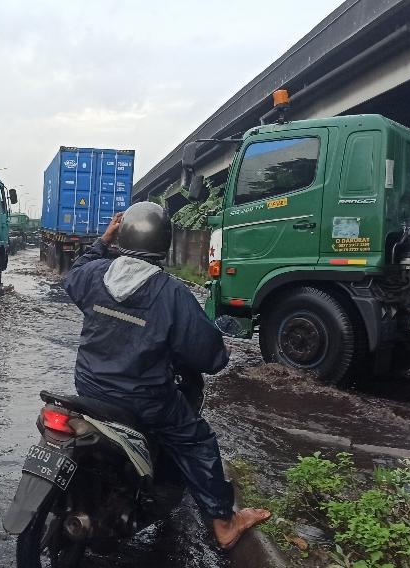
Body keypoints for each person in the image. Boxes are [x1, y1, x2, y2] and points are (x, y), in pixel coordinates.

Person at [62, 202, 270, 550]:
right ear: (165, 243)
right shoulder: (172, 293)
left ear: (122, 235)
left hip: (88, 389)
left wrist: (103, 240)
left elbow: (74, 271)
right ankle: (225, 523)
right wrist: (223, 352)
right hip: (142, 401)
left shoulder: (93, 274)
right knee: (197, 440)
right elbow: (210, 357)